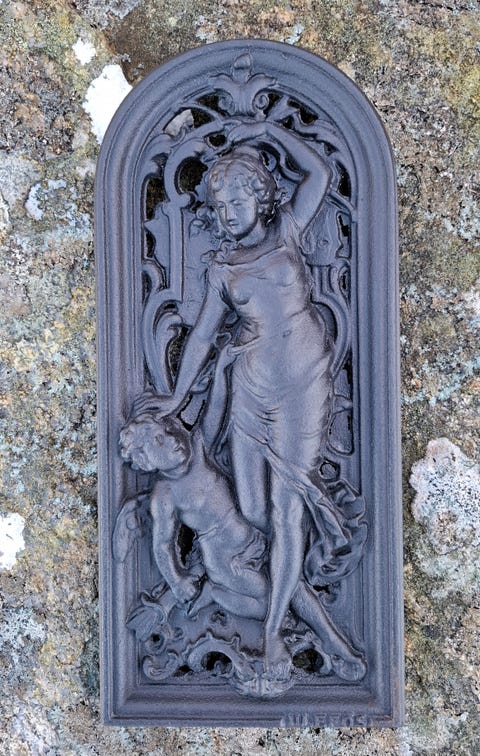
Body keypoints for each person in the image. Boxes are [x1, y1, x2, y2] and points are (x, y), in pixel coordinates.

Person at [134, 120, 352, 679]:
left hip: (302, 385)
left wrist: (267, 130)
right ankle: (289, 614)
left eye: (238, 200)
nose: (229, 213)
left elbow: (320, 172)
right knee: (255, 517)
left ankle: (277, 633)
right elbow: (202, 338)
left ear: (262, 196)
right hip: (252, 392)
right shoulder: (222, 269)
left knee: (286, 509)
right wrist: (178, 395)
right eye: (220, 205)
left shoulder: (288, 233)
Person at [119, 413, 366, 681]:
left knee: (288, 585)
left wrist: (233, 382)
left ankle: (330, 640)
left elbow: (216, 408)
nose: (170, 439)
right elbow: (162, 546)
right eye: (157, 441)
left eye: (166, 431)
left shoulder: (199, 448)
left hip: (254, 540)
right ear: (146, 462)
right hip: (227, 564)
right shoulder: (164, 495)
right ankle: (218, 594)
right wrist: (177, 582)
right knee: (278, 597)